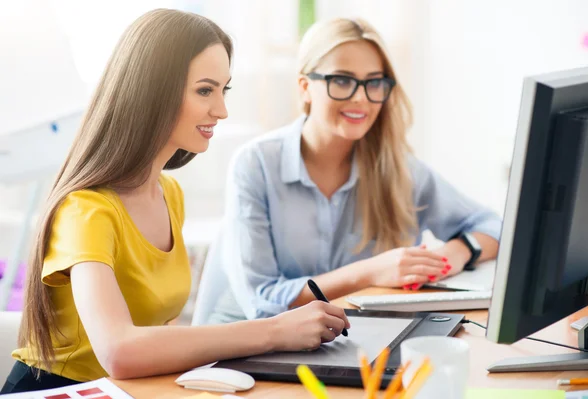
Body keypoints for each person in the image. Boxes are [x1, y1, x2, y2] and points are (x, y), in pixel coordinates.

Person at [1, 9, 350, 394]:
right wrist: (272, 332)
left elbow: (158, 335)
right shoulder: (86, 211)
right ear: (152, 92)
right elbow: (118, 351)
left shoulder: (169, 194)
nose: (221, 109)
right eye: (205, 90)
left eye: (224, 89)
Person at [193, 17, 502, 325]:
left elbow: (494, 226)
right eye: (342, 80)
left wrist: (454, 255)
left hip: (345, 337)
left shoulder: (398, 169)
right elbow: (262, 303)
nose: (360, 97)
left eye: (374, 83)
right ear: (305, 87)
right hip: (249, 344)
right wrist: (371, 272)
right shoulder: (255, 165)